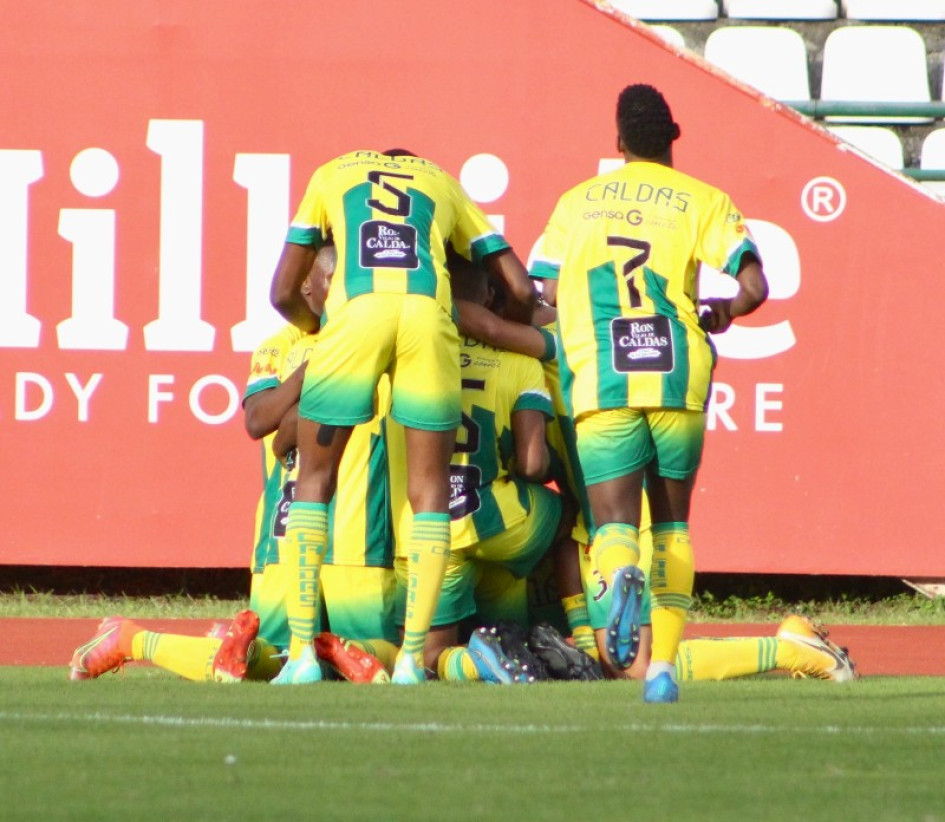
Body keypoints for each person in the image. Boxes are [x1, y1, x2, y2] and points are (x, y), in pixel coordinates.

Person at [532, 83, 769, 703]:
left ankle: (618, 575)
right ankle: (662, 669)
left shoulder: (576, 203)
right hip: (677, 372)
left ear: (618, 142)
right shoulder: (703, 200)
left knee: (612, 521)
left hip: (602, 375)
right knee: (672, 526)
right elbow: (754, 282)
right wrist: (724, 311)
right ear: (673, 137)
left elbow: (542, 293)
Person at [268, 149, 538, 685]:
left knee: (315, 480)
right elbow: (522, 287)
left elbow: (282, 292)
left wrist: (318, 334)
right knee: (429, 491)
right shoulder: (443, 183)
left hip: (356, 315)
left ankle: (300, 657)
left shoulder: (331, 173)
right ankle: (413, 659)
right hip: (426, 316)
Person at [386, 258, 560, 683]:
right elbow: (534, 464)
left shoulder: (400, 359)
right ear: (488, 297)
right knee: (565, 515)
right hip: (502, 524)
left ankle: (469, 662)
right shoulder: (521, 363)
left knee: (428, 655)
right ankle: (553, 633)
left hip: (425, 529)